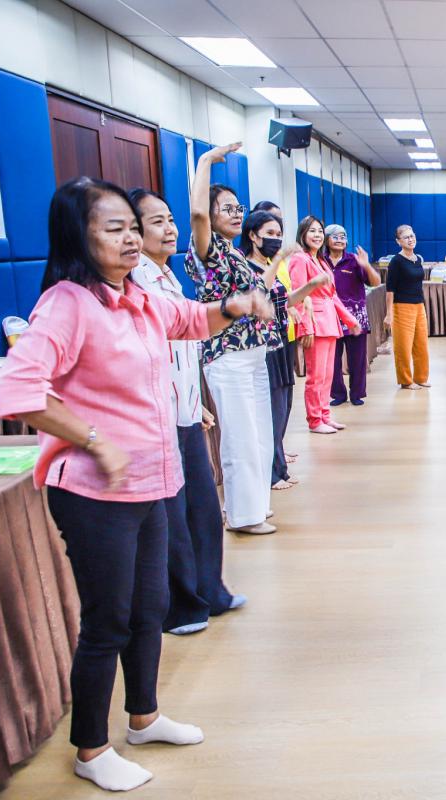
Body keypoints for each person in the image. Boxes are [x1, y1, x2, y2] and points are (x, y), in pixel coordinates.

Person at [0, 177, 274, 792]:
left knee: (150, 610)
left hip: (150, 481)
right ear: (79, 235)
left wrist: (238, 306)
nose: (129, 239)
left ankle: (143, 717)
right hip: (93, 493)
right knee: (108, 621)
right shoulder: (68, 303)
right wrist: (93, 439)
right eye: (114, 228)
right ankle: (91, 749)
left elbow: (192, 320)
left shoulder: (138, 297)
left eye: (131, 228)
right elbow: (15, 388)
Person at [129, 188, 243, 637]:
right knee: (172, 517)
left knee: (204, 509)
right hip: (157, 419)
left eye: (170, 219)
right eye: (156, 222)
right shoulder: (135, 283)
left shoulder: (168, 278)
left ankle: (211, 591)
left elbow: (184, 350)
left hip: (187, 412)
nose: (169, 229)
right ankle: (179, 607)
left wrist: (197, 404)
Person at [185, 142, 279, 535]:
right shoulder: (206, 250)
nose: (237, 213)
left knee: (260, 435)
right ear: (210, 215)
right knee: (240, 437)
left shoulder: (235, 252)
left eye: (239, 208)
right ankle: (243, 516)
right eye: (228, 208)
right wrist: (205, 160)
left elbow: (258, 291)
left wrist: (281, 260)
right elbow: (195, 213)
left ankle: (257, 505)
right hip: (227, 354)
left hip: (253, 353)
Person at [241, 210, 328, 487]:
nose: (276, 239)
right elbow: (259, 294)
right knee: (269, 410)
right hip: (262, 347)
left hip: (280, 341)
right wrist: (279, 258)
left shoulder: (269, 265)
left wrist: (311, 286)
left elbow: (284, 301)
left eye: (279, 234)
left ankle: (279, 466)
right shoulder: (247, 266)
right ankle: (270, 473)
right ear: (252, 236)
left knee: (282, 407)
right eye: (270, 234)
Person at [288, 216, 360, 433]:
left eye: (320, 231)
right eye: (312, 231)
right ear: (302, 234)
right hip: (314, 323)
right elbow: (298, 295)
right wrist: (305, 328)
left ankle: (325, 415)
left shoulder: (319, 260)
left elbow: (332, 296)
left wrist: (350, 320)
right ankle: (314, 420)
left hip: (329, 322)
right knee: (316, 376)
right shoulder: (299, 259)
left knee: (328, 375)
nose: (317, 235)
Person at [324, 224, 380, 405]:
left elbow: (376, 282)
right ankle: (338, 395)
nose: (340, 240)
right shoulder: (320, 261)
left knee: (357, 359)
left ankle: (356, 394)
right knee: (332, 359)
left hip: (355, 317)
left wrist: (366, 265)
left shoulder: (354, 260)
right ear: (326, 239)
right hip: (329, 316)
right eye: (335, 236)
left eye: (343, 236)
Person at [385, 224, 430, 389]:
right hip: (401, 307)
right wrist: (389, 314)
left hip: (419, 306)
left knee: (421, 344)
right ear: (398, 241)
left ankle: (421, 377)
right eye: (406, 237)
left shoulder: (418, 259)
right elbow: (390, 289)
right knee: (403, 346)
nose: (410, 239)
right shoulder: (396, 261)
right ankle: (405, 380)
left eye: (412, 236)